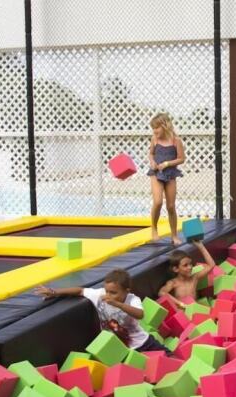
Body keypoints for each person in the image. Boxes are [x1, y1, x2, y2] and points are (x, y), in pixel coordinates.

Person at [35, 269, 171, 354]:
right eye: (107, 291)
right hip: (119, 349)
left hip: (143, 343)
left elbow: (140, 314)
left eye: (114, 292)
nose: (109, 295)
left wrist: (117, 304)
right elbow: (80, 290)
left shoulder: (132, 299)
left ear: (126, 291)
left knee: (170, 358)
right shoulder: (99, 295)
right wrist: (54, 292)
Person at [147, 113, 185, 246]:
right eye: (153, 128)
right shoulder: (154, 139)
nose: (154, 131)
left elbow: (181, 158)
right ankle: (154, 228)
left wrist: (167, 163)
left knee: (170, 206)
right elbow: (151, 153)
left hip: (170, 174)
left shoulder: (176, 140)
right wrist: (152, 162)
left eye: (157, 128)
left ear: (164, 126)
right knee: (157, 202)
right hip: (156, 173)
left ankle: (174, 235)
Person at [158, 241, 216, 309]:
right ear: (176, 269)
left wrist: (201, 246)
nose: (190, 267)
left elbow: (211, 265)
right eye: (185, 265)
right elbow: (161, 293)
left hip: (194, 310)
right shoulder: (173, 283)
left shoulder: (195, 277)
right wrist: (179, 303)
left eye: (190, 264)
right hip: (182, 313)